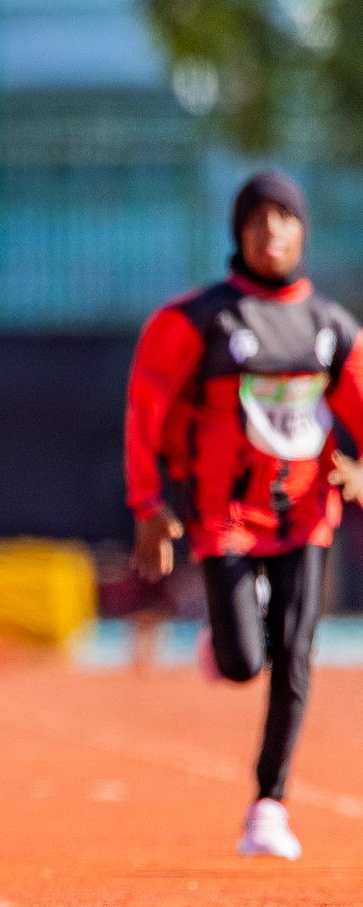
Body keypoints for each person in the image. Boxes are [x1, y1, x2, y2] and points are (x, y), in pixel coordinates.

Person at [125, 171, 363, 860]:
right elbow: (146, 410)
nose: (272, 234)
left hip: (307, 515)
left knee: (295, 655)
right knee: (240, 665)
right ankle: (230, 638)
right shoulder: (200, 321)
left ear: (303, 230)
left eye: (284, 219)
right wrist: (147, 503)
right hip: (225, 515)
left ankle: (269, 804)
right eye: (257, 221)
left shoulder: (330, 328)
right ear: (238, 233)